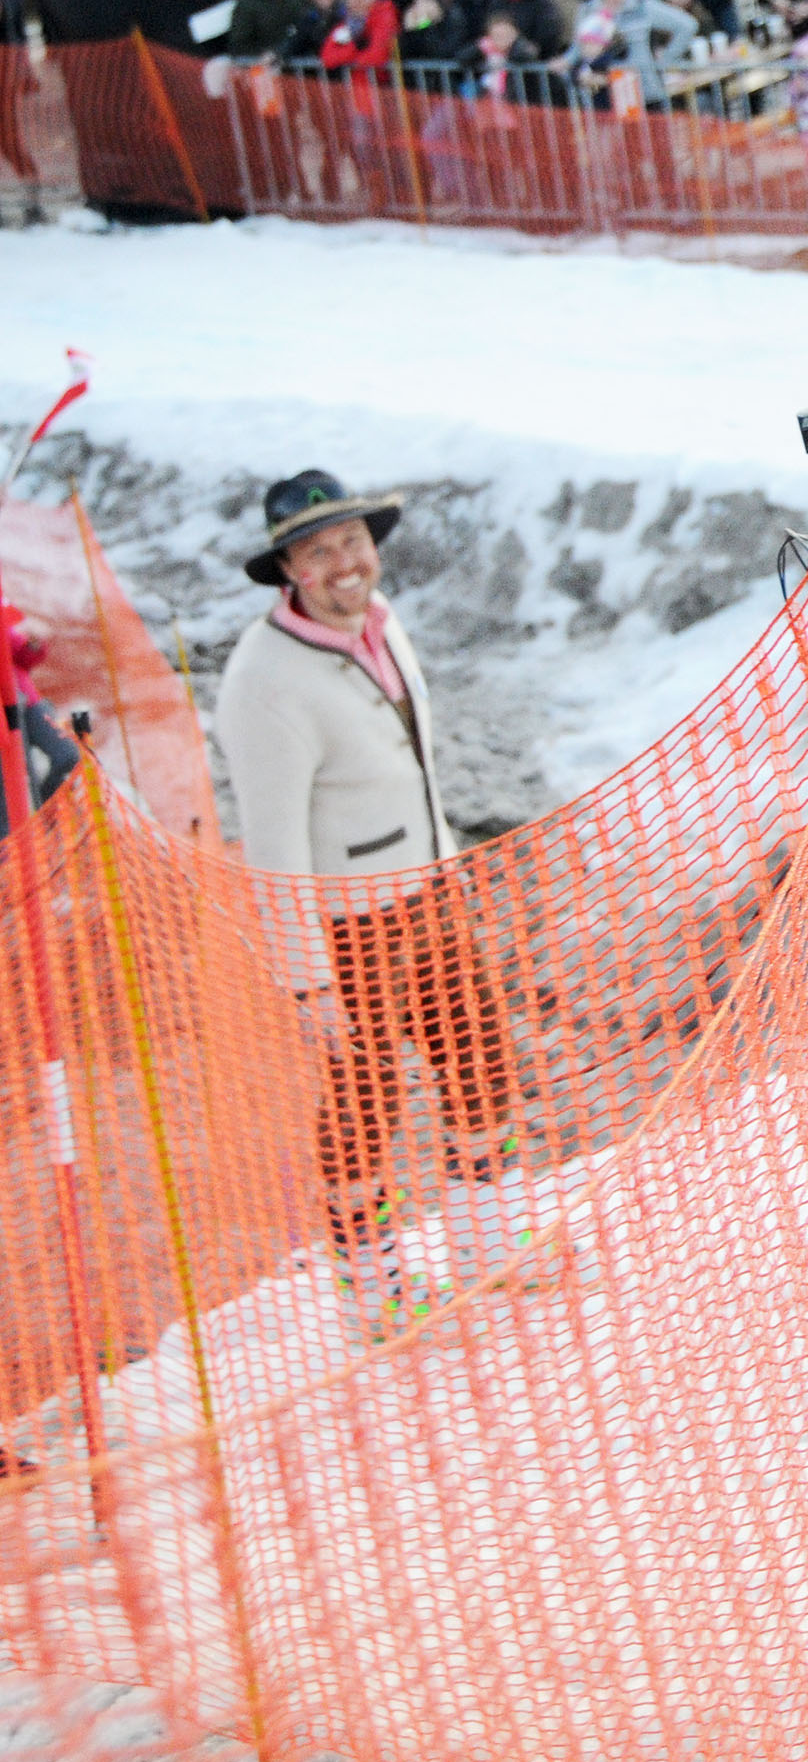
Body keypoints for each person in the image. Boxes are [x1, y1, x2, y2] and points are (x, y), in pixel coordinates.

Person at [217, 469, 525, 1330]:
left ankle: (487, 1245)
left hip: (429, 893)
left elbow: (413, 768)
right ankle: (372, 1282)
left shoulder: (380, 622)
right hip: (348, 926)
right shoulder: (263, 681)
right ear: (288, 570)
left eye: (351, 540)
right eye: (317, 551)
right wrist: (307, 980)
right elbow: (272, 846)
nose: (343, 562)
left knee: (480, 1059)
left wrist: (448, 868)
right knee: (366, 1100)